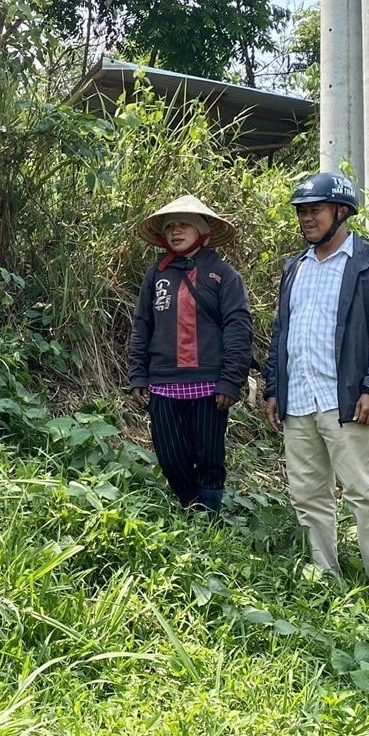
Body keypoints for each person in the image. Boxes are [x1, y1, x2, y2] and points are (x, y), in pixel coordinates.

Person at [262, 172, 369, 611]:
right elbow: (281, 333)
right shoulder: (296, 268)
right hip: (300, 400)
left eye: (315, 210)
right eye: (302, 211)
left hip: (345, 400)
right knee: (309, 496)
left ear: (341, 212)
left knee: (364, 491)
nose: (307, 219)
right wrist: (274, 388)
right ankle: (322, 575)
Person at [128, 194, 253, 512]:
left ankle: (207, 517)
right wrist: (138, 374)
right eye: (170, 226)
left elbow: (239, 330)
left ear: (203, 231)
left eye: (184, 224)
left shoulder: (224, 276)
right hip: (163, 382)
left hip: (210, 385)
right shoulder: (156, 274)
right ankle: (190, 504)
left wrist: (230, 381)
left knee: (209, 454)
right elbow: (142, 326)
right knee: (169, 454)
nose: (176, 231)